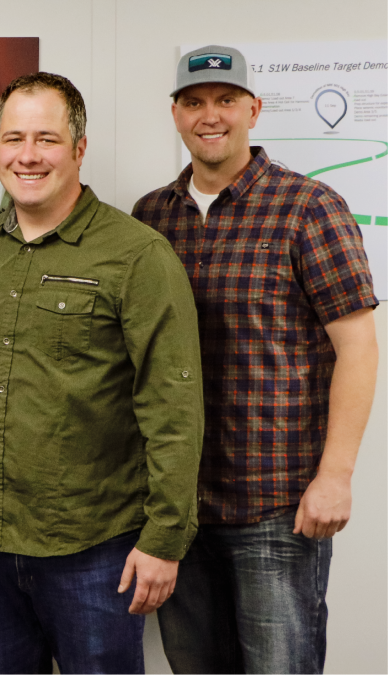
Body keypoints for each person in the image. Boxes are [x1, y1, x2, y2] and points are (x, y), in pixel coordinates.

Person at [0, 72, 204, 674]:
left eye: (47, 140)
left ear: (79, 149)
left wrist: (165, 540)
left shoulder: (137, 255)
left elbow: (174, 408)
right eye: (13, 139)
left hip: (95, 548)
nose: (27, 156)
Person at [133, 45, 378, 675]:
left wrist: (337, 475)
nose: (209, 115)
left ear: (253, 109)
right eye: (193, 102)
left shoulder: (308, 208)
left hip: (276, 505)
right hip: (179, 509)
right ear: (176, 114)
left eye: (224, 100)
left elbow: (358, 345)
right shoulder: (152, 217)